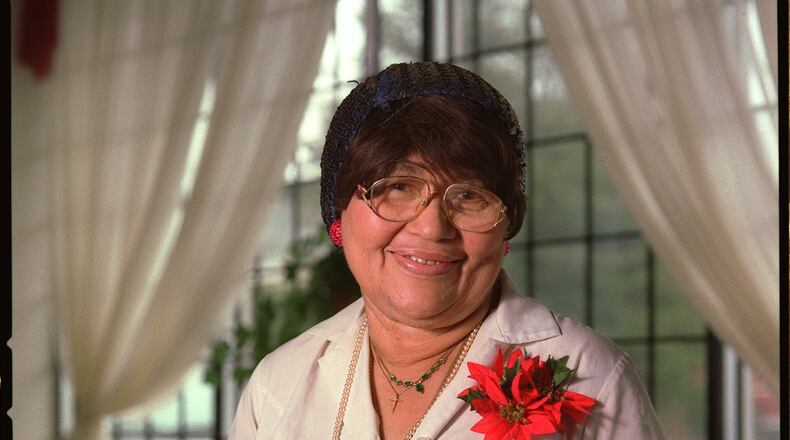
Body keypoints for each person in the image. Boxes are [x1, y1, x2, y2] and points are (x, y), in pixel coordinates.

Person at [229, 62, 665, 439]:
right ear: (338, 212)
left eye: (469, 196)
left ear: (506, 225)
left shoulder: (592, 376)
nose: (432, 227)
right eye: (398, 187)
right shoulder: (279, 382)